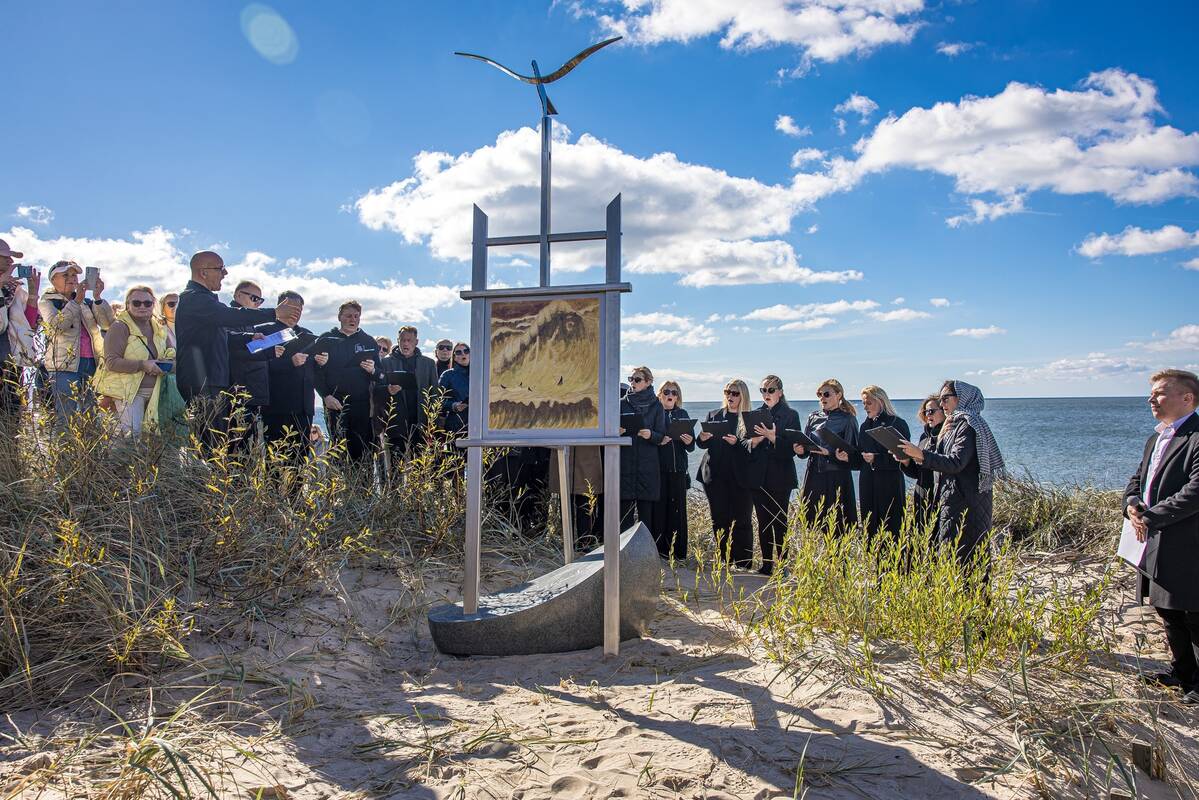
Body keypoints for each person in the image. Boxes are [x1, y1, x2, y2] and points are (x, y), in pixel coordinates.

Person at [1123, 369, 1199, 705]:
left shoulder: (1196, 436)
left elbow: (1196, 491)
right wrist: (1132, 507)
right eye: (1151, 393)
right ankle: (1181, 673)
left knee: (1194, 613)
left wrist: (1150, 516)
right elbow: (1137, 480)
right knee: (1168, 610)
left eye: (1161, 393)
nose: (1151, 399)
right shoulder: (1155, 438)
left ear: (1188, 398)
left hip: (1188, 540)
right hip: (1154, 540)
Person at [176, 251, 297, 445]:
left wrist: (249, 336)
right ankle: (203, 476)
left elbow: (223, 337)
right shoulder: (194, 298)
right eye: (220, 268)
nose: (225, 273)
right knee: (210, 444)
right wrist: (274, 313)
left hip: (212, 380)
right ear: (203, 272)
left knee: (217, 443)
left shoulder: (204, 300)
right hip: (203, 381)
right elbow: (231, 316)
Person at [899, 380, 1005, 567]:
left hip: (966, 502)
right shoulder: (955, 425)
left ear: (961, 398)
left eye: (946, 399)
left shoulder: (969, 425)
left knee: (966, 560)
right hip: (954, 500)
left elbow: (956, 462)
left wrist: (920, 454)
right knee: (951, 559)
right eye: (940, 400)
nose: (942, 404)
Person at [696, 379, 763, 569]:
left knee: (742, 520)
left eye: (734, 393)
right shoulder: (714, 415)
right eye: (727, 392)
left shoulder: (750, 419)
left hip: (741, 477)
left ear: (743, 396)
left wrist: (737, 444)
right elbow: (701, 444)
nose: (730, 396)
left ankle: (743, 563)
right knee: (719, 520)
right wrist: (701, 438)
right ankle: (723, 561)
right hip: (714, 475)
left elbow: (755, 450)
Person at [38, 261, 113, 420]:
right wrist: (76, 301)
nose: (71, 279)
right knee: (66, 414)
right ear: (53, 280)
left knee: (91, 414)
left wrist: (98, 298)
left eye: (74, 275)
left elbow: (107, 324)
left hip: (92, 362)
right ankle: (64, 445)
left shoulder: (86, 302)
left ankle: (88, 445)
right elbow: (56, 327)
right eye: (65, 275)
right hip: (64, 365)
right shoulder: (47, 301)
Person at [94, 286, 173, 434]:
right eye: (136, 303)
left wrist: (169, 362)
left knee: (153, 439)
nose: (142, 306)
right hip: (128, 393)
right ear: (128, 305)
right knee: (131, 437)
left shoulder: (159, 329)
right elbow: (111, 362)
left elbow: (171, 353)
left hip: (157, 392)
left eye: (147, 303)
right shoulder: (119, 327)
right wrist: (143, 365)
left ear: (153, 304)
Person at [313, 300, 380, 463]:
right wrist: (326, 396)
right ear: (339, 317)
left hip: (361, 404)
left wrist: (373, 370)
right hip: (334, 402)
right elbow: (314, 373)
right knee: (337, 451)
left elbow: (380, 374)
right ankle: (338, 488)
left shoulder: (368, 341)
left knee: (361, 451)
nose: (353, 319)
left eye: (356, 316)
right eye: (348, 315)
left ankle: (362, 488)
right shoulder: (326, 339)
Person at [842, 385, 910, 541]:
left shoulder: (897, 423)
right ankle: (872, 564)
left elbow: (905, 458)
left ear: (880, 401)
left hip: (889, 484)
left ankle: (893, 565)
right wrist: (848, 458)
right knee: (869, 529)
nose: (865, 407)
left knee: (891, 529)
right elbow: (860, 458)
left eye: (868, 403)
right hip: (868, 484)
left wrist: (876, 459)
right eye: (864, 403)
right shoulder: (865, 425)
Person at [257, 291, 317, 463]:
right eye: (292, 307)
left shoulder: (307, 334)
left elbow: (314, 371)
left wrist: (322, 362)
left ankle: (296, 491)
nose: (297, 311)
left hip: (304, 407)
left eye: (300, 308)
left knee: (299, 462)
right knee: (274, 461)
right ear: (281, 305)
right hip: (276, 406)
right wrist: (289, 362)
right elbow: (257, 367)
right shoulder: (264, 331)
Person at [751, 375, 801, 575]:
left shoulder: (791, 415)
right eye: (763, 390)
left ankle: (783, 566)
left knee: (780, 521)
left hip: (781, 476)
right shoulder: (755, 414)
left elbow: (793, 449)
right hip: (758, 476)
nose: (766, 394)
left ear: (780, 392)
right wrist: (753, 442)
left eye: (770, 390)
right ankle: (766, 564)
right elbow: (744, 444)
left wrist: (772, 437)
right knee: (762, 521)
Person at [794, 378, 859, 531]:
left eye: (826, 394)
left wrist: (829, 453)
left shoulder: (848, 419)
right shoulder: (813, 417)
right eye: (819, 394)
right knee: (812, 524)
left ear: (839, 395)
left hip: (836, 477)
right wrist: (800, 451)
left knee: (837, 526)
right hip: (814, 475)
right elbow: (806, 444)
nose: (822, 398)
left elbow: (854, 455)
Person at [375, 324, 439, 463]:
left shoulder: (428, 363)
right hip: (396, 423)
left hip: (420, 423)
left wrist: (434, 423)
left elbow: (434, 393)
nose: (405, 343)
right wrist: (388, 389)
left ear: (416, 342)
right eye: (402, 340)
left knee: (420, 466)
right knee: (396, 467)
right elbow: (376, 390)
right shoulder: (386, 363)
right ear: (398, 341)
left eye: (409, 340)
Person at [227, 280, 276, 447]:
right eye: (254, 298)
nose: (258, 303)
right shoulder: (229, 318)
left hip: (254, 393)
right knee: (239, 446)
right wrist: (267, 352)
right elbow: (232, 349)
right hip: (241, 392)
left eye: (261, 300)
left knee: (252, 445)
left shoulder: (250, 323)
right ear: (238, 295)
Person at [619, 366, 667, 531]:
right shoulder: (621, 404)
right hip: (625, 464)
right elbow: (610, 432)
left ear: (648, 382)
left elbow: (662, 435)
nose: (632, 382)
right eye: (630, 379)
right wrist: (618, 432)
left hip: (648, 466)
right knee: (624, 516)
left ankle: (646, 554)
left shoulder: (656, 406)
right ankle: (622, 554)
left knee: (646, 518)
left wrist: (650, 435)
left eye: (637, 379)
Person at [651, 380, 694, 560]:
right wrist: (658, 440)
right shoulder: (654, 414)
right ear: (660, 394)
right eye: (667, 391)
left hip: (678, 471)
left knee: (678, 512)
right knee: (659, 512)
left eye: (674, 393)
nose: (670, 395)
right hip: (658, 470)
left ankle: (678, 553)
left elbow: (692, 447)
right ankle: (659, 551)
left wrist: (688, 441)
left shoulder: (682, 413)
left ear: (678, 397)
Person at [0, 241, 40, 414]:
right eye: (5, 257)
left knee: (12, 415)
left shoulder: (14, 290)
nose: (10, 261)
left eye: (10, 257)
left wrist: (33, 294)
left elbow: (29, 326)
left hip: (11, 362)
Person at [899, 394, 945, 529]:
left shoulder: (948, 436)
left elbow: (948, 464)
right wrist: (906, 461)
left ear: (944, 410)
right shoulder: (924, 436)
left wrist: (921, 456)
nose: (928, 415)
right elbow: (918, 473)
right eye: (925, 412)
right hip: (921, 496)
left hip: (938, 496)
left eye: (931, 411)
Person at [549, 446, 605, 548]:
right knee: (566, 502)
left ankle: (584, 542)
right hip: (564, 454)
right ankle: (566, 542)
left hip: (588, 456)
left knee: (586, 502)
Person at [438, 341, 471, 436]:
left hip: (479, 425)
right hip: (456, 425)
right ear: (455, 357)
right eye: (458, 352)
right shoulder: (448, 375)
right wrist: (454, 405)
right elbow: (438, 400)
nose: (463, 354)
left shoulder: (481, 373)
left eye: (466, 351)